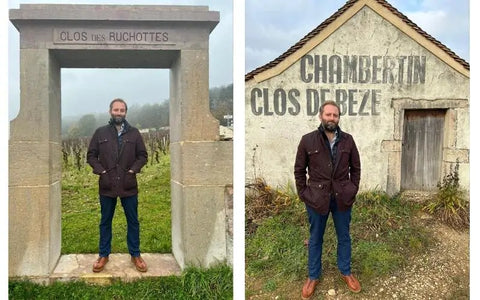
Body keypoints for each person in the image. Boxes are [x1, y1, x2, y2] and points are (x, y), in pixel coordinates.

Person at [294, 100, 361, 298]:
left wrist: (352, 189)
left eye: (335, 115)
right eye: (328, 114)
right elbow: (299, 170)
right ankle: (313, 276)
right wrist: (303, 194)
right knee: (315, 238)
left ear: (339, 118)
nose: (332, 118)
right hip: (316, 199)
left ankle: (346, 272)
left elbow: (356, 168)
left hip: (342, 199)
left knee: (344, 237)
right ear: (321, 116)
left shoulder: (348, 140)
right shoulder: (308, 140)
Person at [87, 98, 148, 273]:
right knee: (105, 221)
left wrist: (132, 171)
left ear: (126, 113)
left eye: (122, 110)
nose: (119, 113)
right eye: (116, 110)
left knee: (133, 221)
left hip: (129, 185)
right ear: (110, 111)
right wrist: (102, 172)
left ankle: (135, 254)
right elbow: (91, 156)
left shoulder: (135, 133)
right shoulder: (100, 133)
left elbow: (142, 156)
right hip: (107, 185)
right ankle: (103, 254)